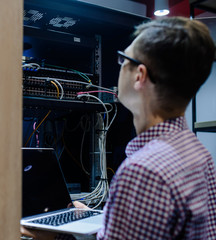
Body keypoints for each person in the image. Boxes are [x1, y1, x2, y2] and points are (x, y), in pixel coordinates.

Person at [21, 16, 216, 240]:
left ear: (139, 76)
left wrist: (55, 237)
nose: (120, 66)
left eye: (123, 59)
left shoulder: (143, 171)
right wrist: (111, 219)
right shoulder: (197, 153)